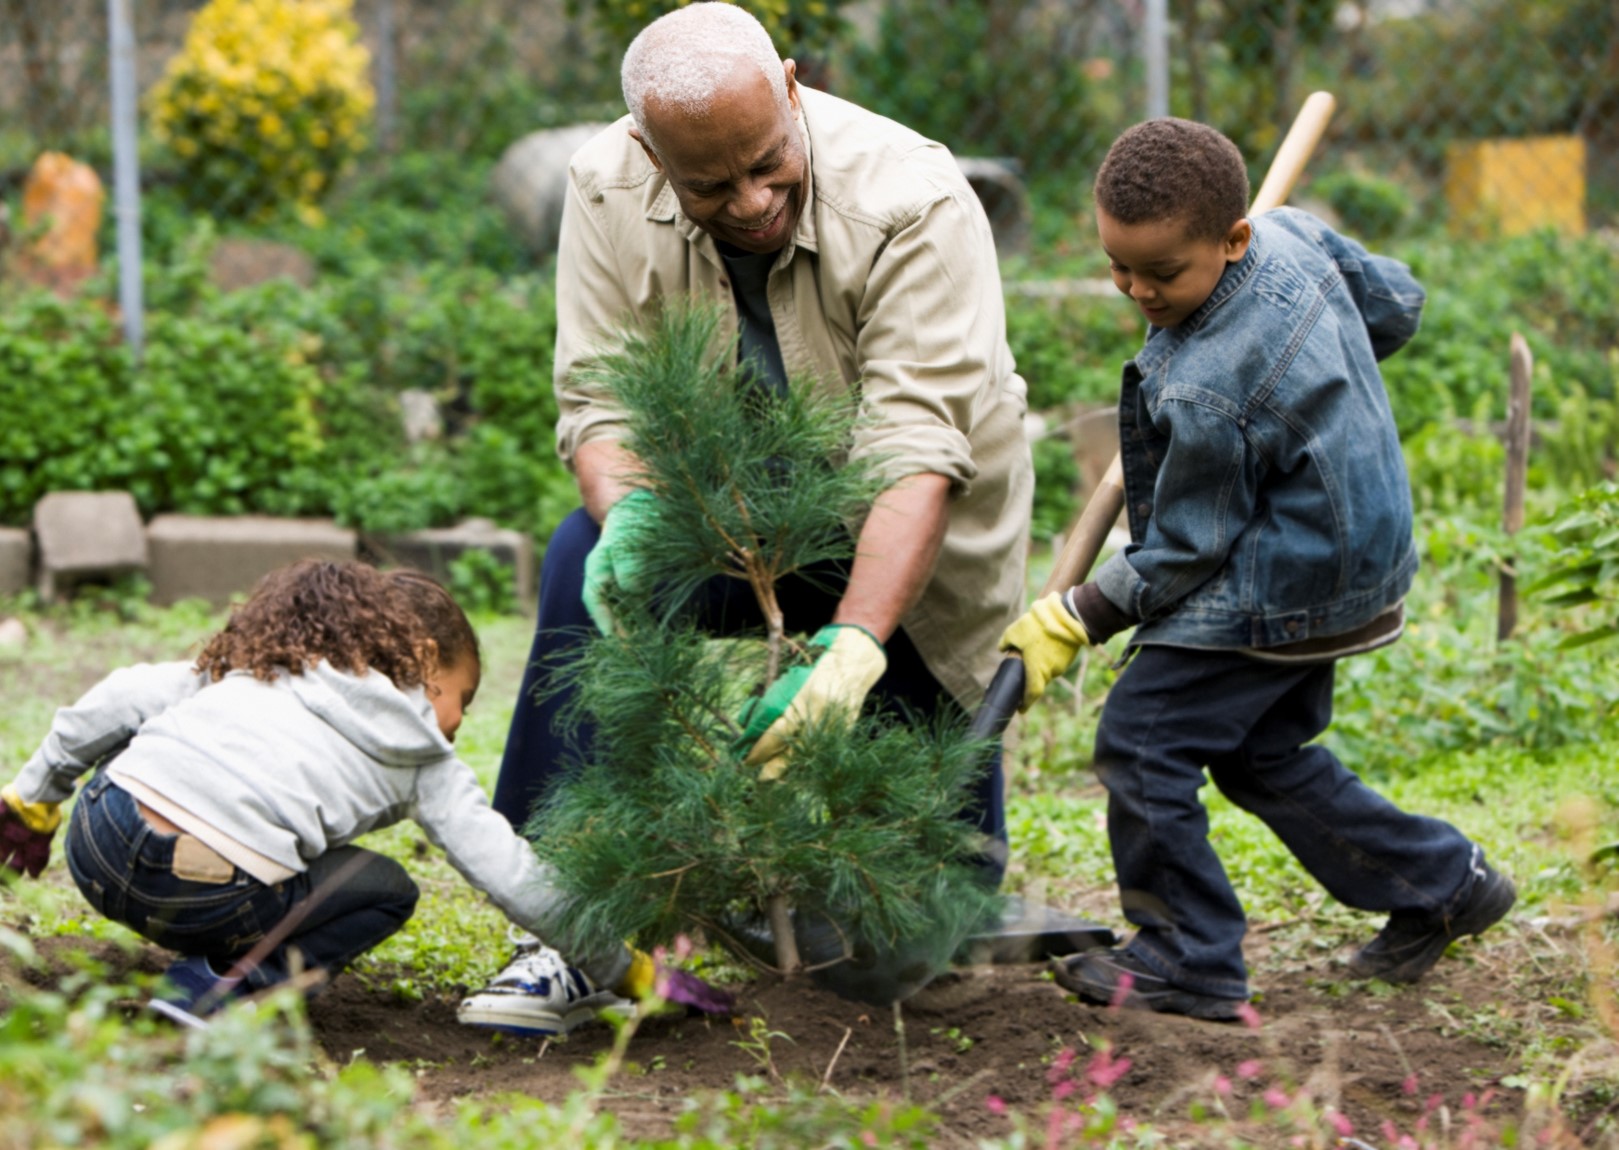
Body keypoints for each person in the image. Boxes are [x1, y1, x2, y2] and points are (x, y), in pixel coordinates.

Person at [460, 1, 1033, 1025]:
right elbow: (599, 397)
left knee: (926, 917)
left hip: (905, 540)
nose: (753, 200)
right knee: (581, 555)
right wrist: (627, 515)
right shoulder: (604, 182)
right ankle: (569, 924)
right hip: (727, 519)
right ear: (651, 152)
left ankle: (898, 875)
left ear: (791, 84)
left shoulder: (913, 197)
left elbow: (914, 453)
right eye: (710, 185)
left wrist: (853, 648)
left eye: (768, 163)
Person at [998, 118, 1515, 1021]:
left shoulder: (1207, 384)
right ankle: (1443, 882)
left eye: (1162, 273)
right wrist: (1320, 380)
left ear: (1232, 239)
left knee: (1143, 740)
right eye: (1119, 267)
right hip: (1355, 556)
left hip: (1285, 582)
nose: (1138, 290)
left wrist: (1080, 611)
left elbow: (1186, 549)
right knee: (1258, 753)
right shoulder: (1293, 233)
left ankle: (1186, 957)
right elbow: (1394, 304)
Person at [0, 560, 726, 1032]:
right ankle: (218, 988)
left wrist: (34, 800)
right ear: (425, 664)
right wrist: (624, 969)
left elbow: (120, 695)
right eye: (463, 696)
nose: (457, 722)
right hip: (208, 892)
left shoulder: (272, 662)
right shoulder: (426, 759)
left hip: (94, 844)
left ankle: (203, 942)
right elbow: (515, 877)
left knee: (168, 754)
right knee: (386, 889)